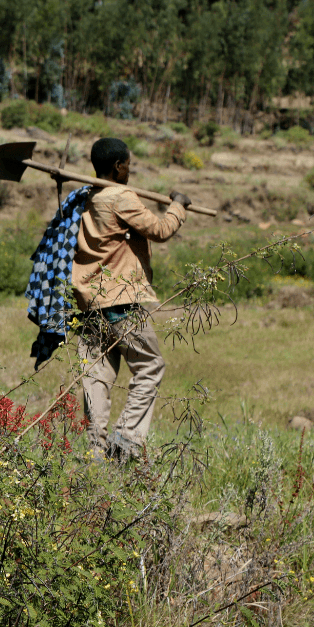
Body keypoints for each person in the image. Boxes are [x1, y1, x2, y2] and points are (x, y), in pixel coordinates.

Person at [72, 137, 191, 460]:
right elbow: (161, 229)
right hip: (120, 301)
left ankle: (94, 451)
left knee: (97, 373)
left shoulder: (88, 197)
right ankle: (125, 440)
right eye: (129, 165)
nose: (130, 170)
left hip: (90, 301)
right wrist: (178, 205)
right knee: (150, 364)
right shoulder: (120, 197)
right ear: (118, 167)